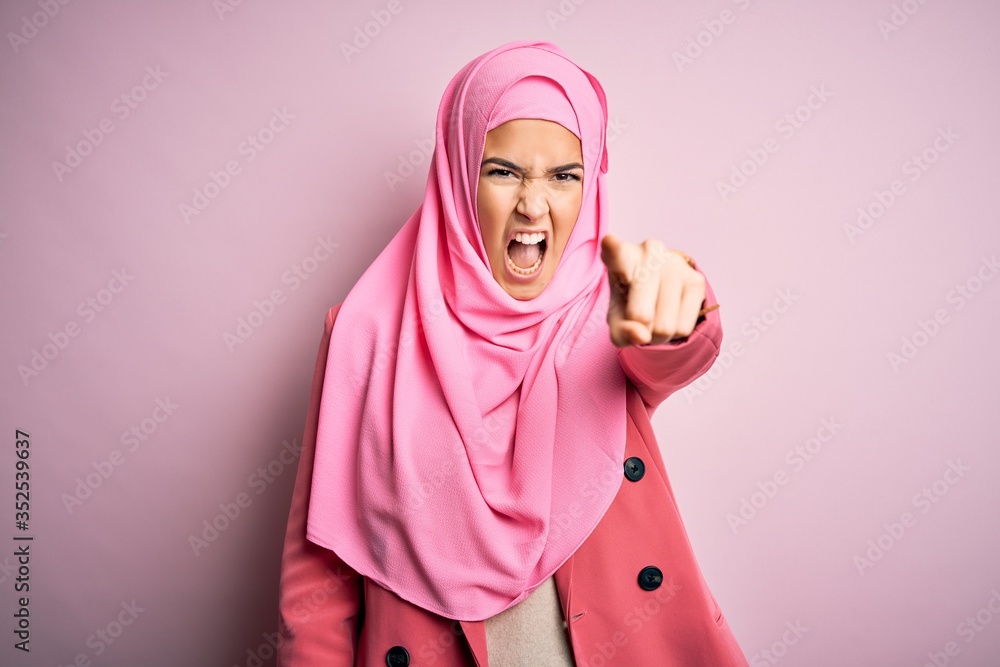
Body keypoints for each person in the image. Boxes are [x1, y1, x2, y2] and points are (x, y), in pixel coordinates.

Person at [277, 40, 749, 666]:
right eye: (502, 171)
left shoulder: (606, 313)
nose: (534, 204)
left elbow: (674, 350)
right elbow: (319, 576)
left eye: (564, 175)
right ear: (456, 172)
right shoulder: (366, 334)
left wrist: (681, 308)